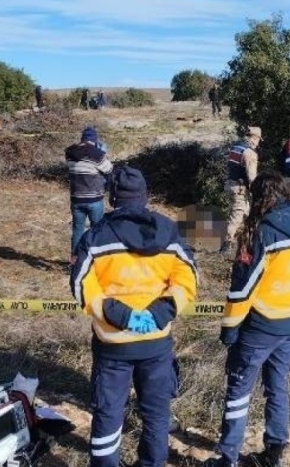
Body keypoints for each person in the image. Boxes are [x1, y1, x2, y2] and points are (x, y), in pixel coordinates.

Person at [70, 166, 198, 467]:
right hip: (156, 343)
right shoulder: (169, 232)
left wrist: (120, 315)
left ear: (112, 198)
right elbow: (188, 279)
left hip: (112, 345)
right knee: (156, 414)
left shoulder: (95, 237)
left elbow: (80, 286)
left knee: (107, 414)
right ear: (145, 196)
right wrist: (160, 312)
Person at [204, 170, 290, 467]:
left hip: (261, 325)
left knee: (238, 391)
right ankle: (274, 452)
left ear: (258, 198)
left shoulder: (261, 232)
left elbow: (242, 289)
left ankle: (227, 457)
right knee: (278, 387)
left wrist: (229, 330)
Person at [65, 127, 113, 255]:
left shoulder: (70, 154)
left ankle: (75, 262)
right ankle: (96, 258)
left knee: (77, 230)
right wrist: (103, 153)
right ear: (94, 140)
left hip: (76, 198)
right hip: (94, 199)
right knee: (97, 230)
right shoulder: (97, 154)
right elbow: (109, 170)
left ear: (82, 139)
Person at [220, 126, 261, 257]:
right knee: (238, 214)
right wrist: (257, 192)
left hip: (230, 185)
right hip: (239, 188)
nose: (258, 142)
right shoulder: (249, 153)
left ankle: (245, 240)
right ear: (254, 138)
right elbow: (252, 177)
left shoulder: (235, 147)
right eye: (258, 139)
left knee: (245, 213)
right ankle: (226, 243)